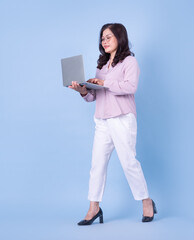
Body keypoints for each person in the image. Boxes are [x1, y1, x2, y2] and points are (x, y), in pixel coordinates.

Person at [69, 23, 157, 225]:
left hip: (122, 118)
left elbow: (130, 87)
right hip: (102, 119)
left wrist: (104, 83)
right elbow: (94, 97)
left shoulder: (129, 62)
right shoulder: (101, 66)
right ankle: (94, 208)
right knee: (97, 165)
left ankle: (146, 201)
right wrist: (83, 90)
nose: (104, 41)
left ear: (120, 37)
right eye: (102, 38)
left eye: (108, 37)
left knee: (128, 162)